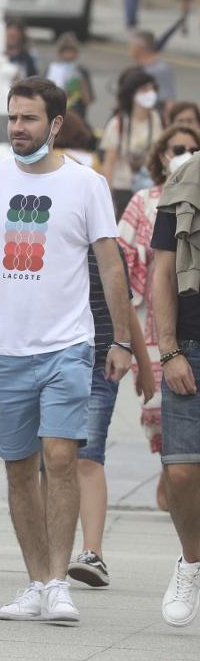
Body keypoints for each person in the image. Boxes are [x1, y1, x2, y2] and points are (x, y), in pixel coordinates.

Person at [0, 76, 133, 624]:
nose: (17, 128)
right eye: (13, 117)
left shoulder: (87, 184)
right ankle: (37, 582)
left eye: (28, 118)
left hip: (68, 345)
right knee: (19, 468)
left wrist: (121, 339)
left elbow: (111, 266)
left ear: (56, 124)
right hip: (4, 350)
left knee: (61, 458)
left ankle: (60, 582)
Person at [117, 123, 200, 511]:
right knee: (178, 464)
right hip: (176, 336)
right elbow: (149, 268)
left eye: (189, 146)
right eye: (176, 147)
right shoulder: (173, 188)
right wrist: (166, 349)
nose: (183, 153)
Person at [68, 248, 155, 589]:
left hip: (100, 360)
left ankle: (93, 552)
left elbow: (125, 305)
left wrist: (144, 366)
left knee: (89, 456)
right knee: (51, 459)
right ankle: (49, 553)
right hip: (49, 358)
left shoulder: (104, 243)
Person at [149, 155, 200, 627]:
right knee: (182, 474)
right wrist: (168, 351)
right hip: (191, 348)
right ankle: (191, 562)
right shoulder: (186, 179)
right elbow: (162, 270)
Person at [101, 68, 164, 217]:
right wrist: (107, 196)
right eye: (144, 89)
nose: (150, 93)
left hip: (149, 188)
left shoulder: (156, 119)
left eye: (152, 89)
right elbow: (108, 163)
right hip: (122, 190)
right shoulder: (118, 123)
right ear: (132, 94)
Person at [45, 33, 95, 121]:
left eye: (72, 51)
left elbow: (88, 100)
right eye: (66, 51)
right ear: (60, 53)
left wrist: (81, 83)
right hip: (55, 115)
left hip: (77, 114)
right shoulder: (51, 70)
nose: (69, 55)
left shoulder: (81, 71)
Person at [130, 30, 178, 103]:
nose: (130, 49)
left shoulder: (161, 70)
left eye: (132, 46)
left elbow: (169, 98)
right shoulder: (138, 68)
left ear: (139, 47)